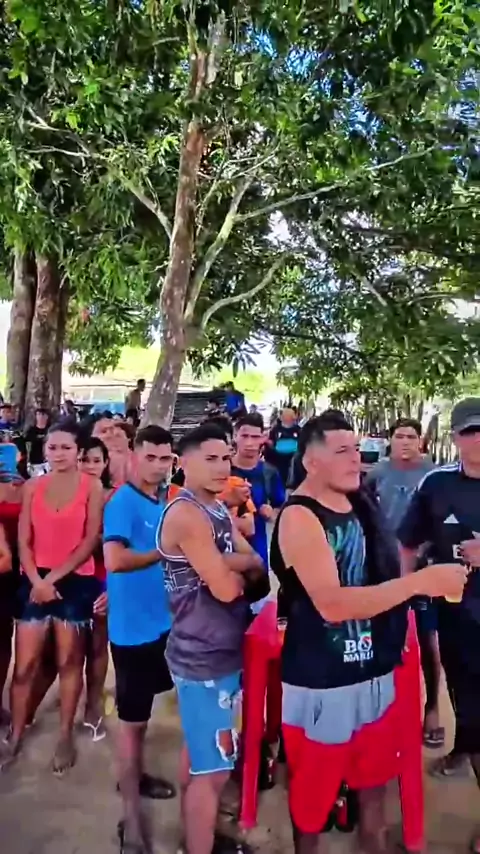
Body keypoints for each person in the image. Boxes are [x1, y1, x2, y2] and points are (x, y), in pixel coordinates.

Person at [270, 412, 467, 854]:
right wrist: (420, 583)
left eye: (356, 449)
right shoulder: (300, 516)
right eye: (341, 451)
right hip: (323, 683)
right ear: (311, 461)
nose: (354, 460)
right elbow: (333, 605)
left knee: (374, 785)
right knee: (313, 798)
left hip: (375, 671)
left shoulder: (359, 503)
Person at [158, 422, 264, 854]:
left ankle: (196, 836)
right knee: (214, 769)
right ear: (183, 463)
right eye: (211, 459)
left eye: (225, 458)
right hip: (201, 655)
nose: (222, 467)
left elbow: (255, 561)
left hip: (220, 647)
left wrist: (224, 562)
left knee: (201, 753)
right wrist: (231, 568)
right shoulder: (185, 513)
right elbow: (227, 588)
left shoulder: (217, 508)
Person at [1, 420, 103, 773]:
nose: (58, 454)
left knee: (69, 662)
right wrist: (36, 580)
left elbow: (90, 540)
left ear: (78, 451)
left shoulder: (91, 486)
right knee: (24, 665)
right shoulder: (33, 486)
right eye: (53, 447)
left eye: (66, 448)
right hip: (34, 578)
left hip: (75, 580)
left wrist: (52, 579)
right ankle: (15, 734)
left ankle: (64, 736)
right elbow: (23, 540)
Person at [398, 398, 480, 808]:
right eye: (470, 432)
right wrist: (402, 592)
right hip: (454, 612)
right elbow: (409, 543)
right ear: (455, 438)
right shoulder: (436, 484)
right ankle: (465, 747)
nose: (478, 440)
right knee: (464, 693)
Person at [103, 425, 176, 854]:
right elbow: (114, 559)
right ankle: (130, 821)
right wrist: (166, 551)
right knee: (131, 725)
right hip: (133, 633)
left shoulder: (165, 499)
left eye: (165, 458)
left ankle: (137, 777)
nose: (158, 466)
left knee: (142, 718)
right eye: (150, 457)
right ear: (133, 456)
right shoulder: (122, 502)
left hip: (164, 625)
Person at [364, 419, 441, 747]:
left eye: (411, 436)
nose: (405, 441)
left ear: (420, 441)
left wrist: (419, 553)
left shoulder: (434, 475)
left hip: (423, 568)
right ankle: (381, 711)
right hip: (382, 569)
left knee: (427, 639)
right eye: (399, 436)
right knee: (378, 636)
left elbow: (440, 521)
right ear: (390, 440)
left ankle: (432, 708)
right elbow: (364, 515)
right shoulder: (376, 474)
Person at [78, 437, 113, 741]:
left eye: (96, 460)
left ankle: (93, 703)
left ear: (105, 463)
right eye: (84, 460)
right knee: (68, 648)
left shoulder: (115, 497)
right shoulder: (60, 494)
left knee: (98, 645)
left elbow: (124, 547)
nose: (90, 466)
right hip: (70, 578)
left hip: (103, 578)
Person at [266, 407, 301, 487]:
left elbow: (301, 442)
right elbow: (271, 442)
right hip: (278, 460)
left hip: (292, 460)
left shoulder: (298, 430)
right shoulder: (276, 429)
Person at [24, 408, 50, 476]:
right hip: (35, 463)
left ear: (47, 416)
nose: (41, 417)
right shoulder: (31, 431)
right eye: (38, 414)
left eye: (43, 414)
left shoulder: (51, 430)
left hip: (48, 462)